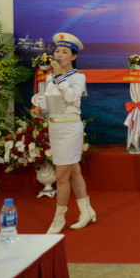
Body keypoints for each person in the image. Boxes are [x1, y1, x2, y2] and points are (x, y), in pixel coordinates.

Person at [32, 33, 96, 234]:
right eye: (57, 51)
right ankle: (86, 212)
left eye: (64, 52)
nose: (59, 54)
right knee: (74, 172)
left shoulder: (78, 76)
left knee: (61, 177)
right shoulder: (50, 77)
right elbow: (52, 102)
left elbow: (70, 97)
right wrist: (42, 110)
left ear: (73, 56)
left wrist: (59, 74)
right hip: (55, 128)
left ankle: (59, 218)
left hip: (70, 129)